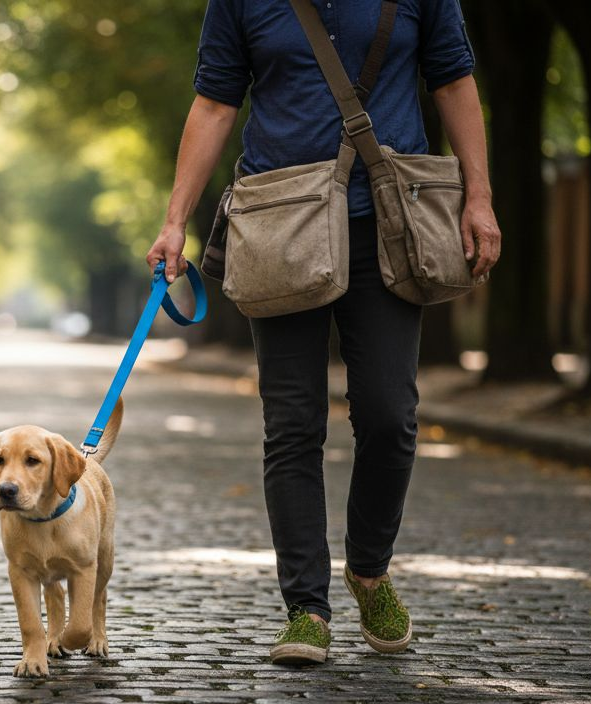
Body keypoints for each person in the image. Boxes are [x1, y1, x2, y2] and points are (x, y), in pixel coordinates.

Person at [147, 0, 500, 665]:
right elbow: (215, 103)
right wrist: (175, 221)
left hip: (389, 221)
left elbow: (452, 81)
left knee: (390, 414)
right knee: (292, 423)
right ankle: (305, 608)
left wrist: (477, 196)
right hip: (280, 222)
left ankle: (369, 572)